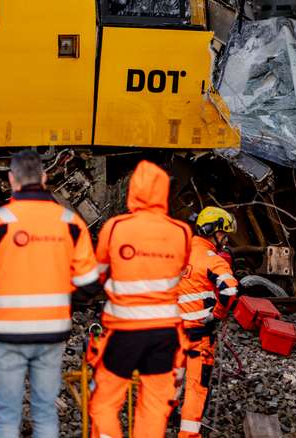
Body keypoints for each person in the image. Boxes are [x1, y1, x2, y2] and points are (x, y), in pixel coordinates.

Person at [0, 150, 102, 438]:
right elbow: (89, 285)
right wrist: (65, 304)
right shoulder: (70, 223)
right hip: (51, 332)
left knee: (7, 417)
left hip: (5, 331)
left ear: (12, 180)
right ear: (45, 177)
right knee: (45, 412)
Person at [88, 160, 192, 438]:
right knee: (155, 408)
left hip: (124, 332)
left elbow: (97, 274)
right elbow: (180, 271)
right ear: (163, 192)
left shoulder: (115, 227)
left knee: (104, 404)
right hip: (165, 334)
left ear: (133, 189)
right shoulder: (181, 232)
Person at [177, 206, 240, 438]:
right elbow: (231, 289)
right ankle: (188, 434)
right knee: (195, 387)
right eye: (223, 234)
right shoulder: (213, 260)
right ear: (212, 232)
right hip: (199, 336)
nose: (224, 240)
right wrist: (219, 313)